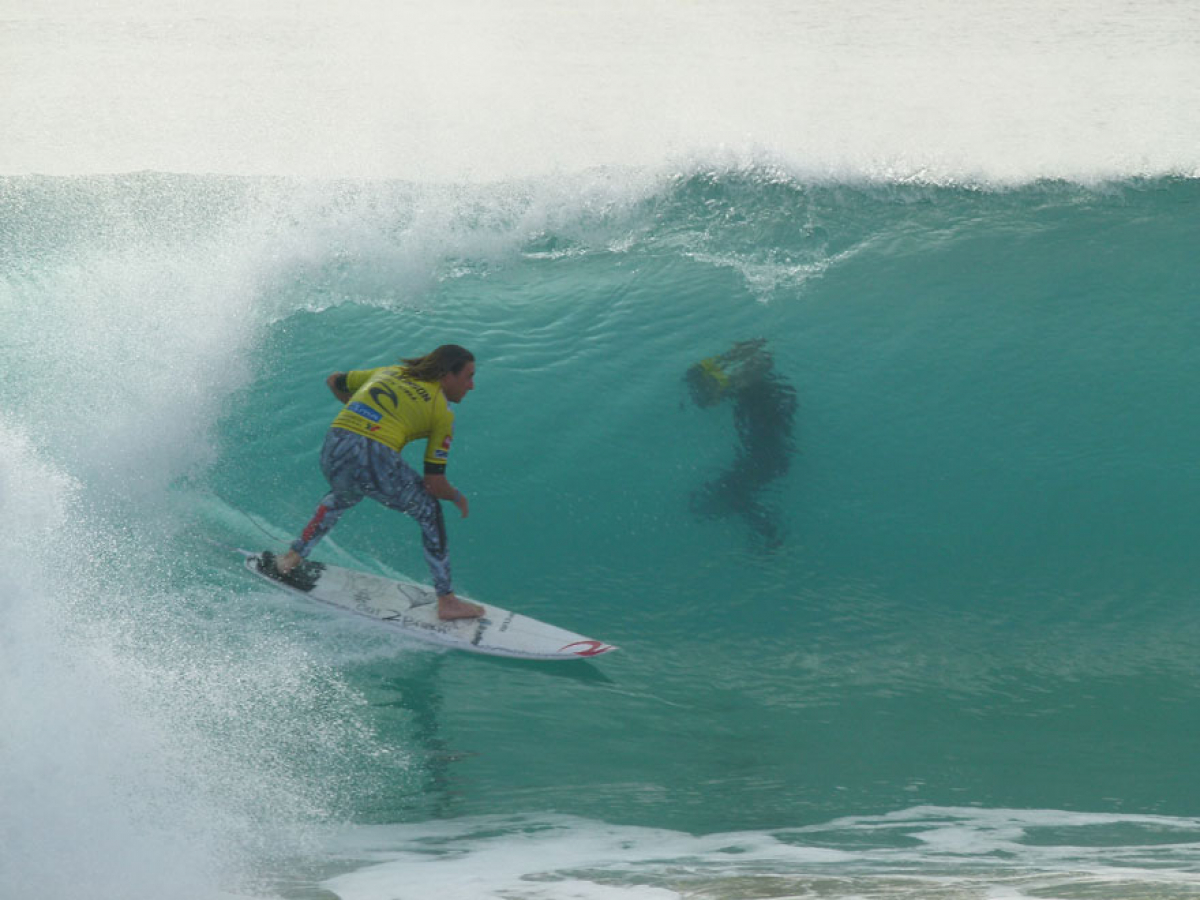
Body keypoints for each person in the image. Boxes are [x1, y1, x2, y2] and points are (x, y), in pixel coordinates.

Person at [264, 344, 484, 620]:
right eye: (468, 377)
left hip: (335, 445)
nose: (472, 386)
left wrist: (356, 408)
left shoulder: (391, 371)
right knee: (429, 510)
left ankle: (291, 559)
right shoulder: (443, 413)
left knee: (343, 496)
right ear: (446, 376)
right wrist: (455, 496)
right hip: (375, 456)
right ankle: (447, 601)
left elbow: (333, 379)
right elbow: (434, 484)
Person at [684, 338, 797, 548]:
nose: (736, 374)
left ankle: (770, 535)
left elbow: (707, 396)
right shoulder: (766, 390)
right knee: (728, 496)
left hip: (768, 459)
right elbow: (697, 379)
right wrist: (726, 359)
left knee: (729, 497)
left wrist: (726, 364)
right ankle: (768, 533)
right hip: (768, 457)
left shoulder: (765, 394)